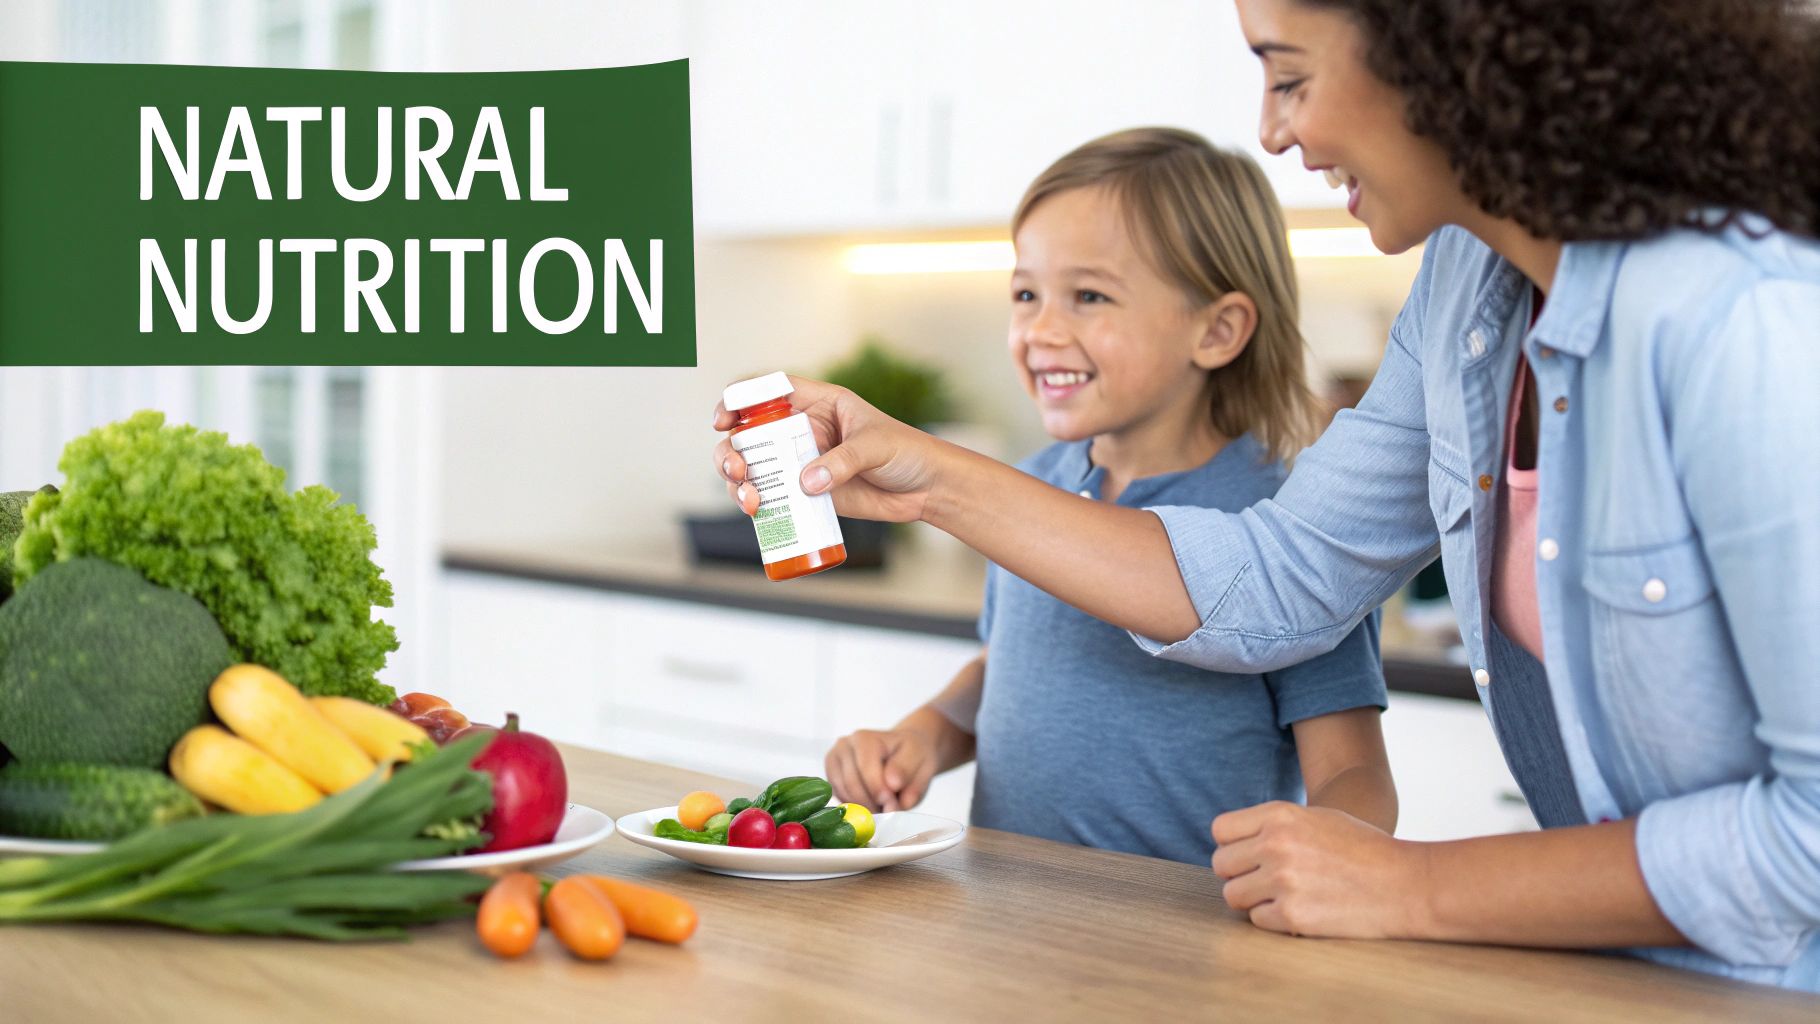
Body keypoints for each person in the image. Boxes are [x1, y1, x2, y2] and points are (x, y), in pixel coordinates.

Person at [713, 0, 1820, 991]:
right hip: (1624, 980)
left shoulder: (1748, 321)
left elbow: (1804, 843)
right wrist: (928, 476)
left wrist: (1408, 884)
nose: (1272, 130)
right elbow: (1285, 577)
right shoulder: (1461, 289)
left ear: (1448, 56)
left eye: (1288, 74)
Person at [822, 128, 1394, 867]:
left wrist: (1333, 855)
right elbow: (1011, 662)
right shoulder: (1022, 490)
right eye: (1026, 294)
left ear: (1218, 330)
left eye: (1088, 296)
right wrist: (927, 734)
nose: (1040, 330)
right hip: (1003, 915)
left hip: (1186, 928)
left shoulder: (1285, 531)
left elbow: (1353, 771)